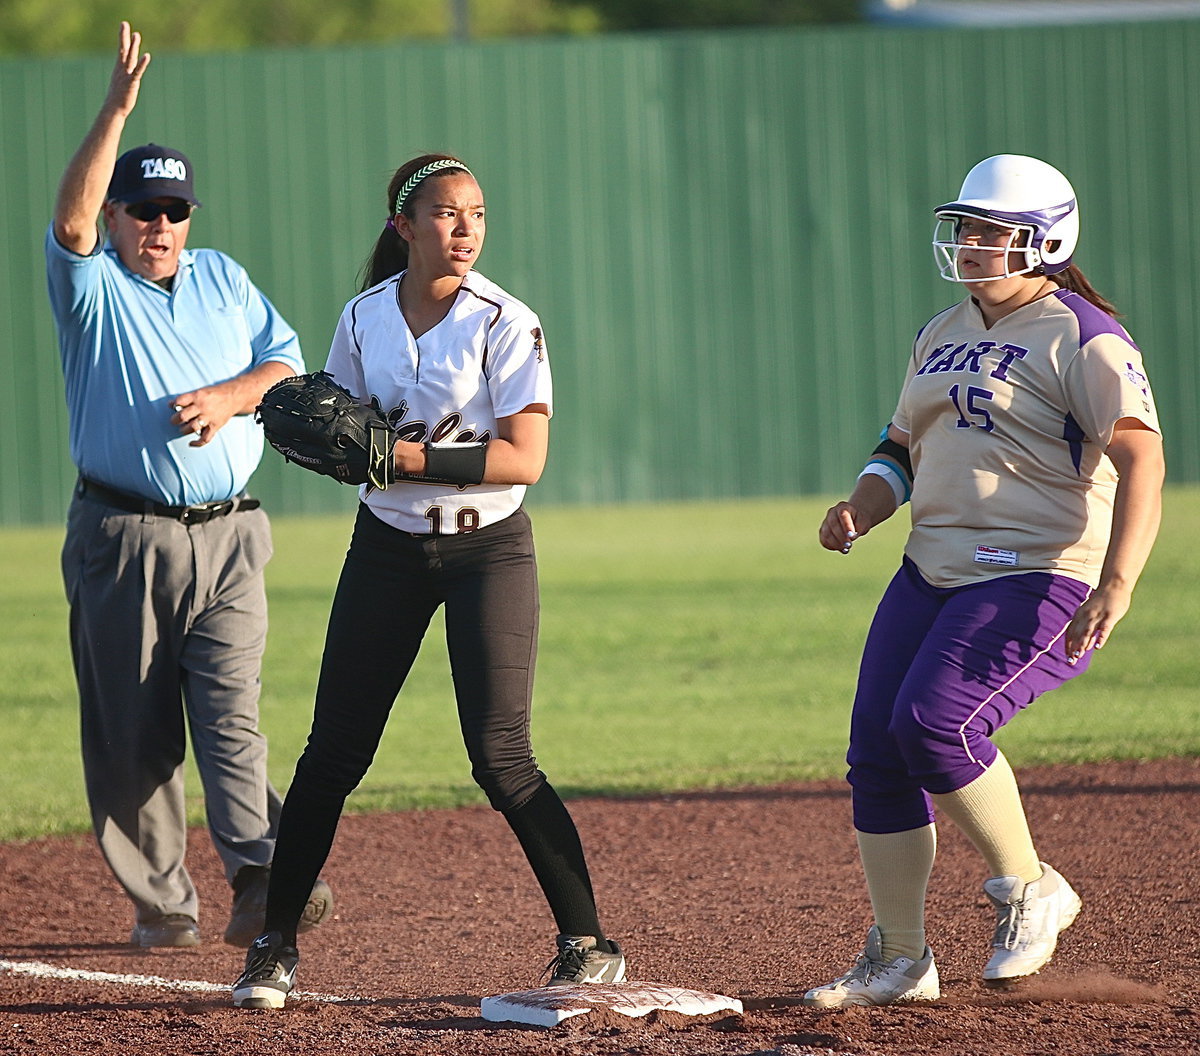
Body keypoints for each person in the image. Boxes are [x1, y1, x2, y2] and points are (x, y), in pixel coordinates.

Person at [231, 154, 626, 1009]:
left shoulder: (505, 322)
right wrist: (332, 445)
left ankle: (590, 943)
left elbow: (526, 457)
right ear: (404, 227)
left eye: (477, 214)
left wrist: (403, 455)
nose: (465, 230)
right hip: (387, 547)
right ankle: (275, 944)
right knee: (333, 752)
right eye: (447, 215)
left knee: (501, 759)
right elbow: (337, 431)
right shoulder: (365, 316)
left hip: (489, 550)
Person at [804, 154, 1164, 1007]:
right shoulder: (942, 329)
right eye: (965, 228)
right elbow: (900, 447)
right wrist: (860, 506)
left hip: (1038, 572)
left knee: (933, 726)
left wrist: (1120, 579)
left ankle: (1030, 886)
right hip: (932, 569)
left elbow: (1141, 454)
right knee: (876, 754)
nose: (970, 244)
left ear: (1044, 240)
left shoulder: (1081, 333)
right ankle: (899, 959)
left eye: (991, 231)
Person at [47, 22, 332, 949]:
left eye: (173, 210)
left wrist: (232, 396)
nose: (160, 225)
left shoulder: (221, 278)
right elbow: (72, 224)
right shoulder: (93, 288)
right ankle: (163, 905)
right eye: (144, 211)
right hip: (123, 537)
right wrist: (116, 110)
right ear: (121, 217)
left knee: (230, 715)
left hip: (232, 535)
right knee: (134, 739)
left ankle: (260, 876)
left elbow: (284, 363)